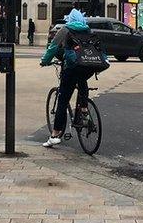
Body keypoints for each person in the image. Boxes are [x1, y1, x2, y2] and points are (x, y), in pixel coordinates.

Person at [40, 9, 102, 148]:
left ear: (70, 19)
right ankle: (84, 110)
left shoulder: (65, 30)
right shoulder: (88, 30)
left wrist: (44, 61)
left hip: (72, 67)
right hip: (89, 67)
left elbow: (53, 48)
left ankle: (55, 135)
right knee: (82, 82)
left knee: (63, 99)